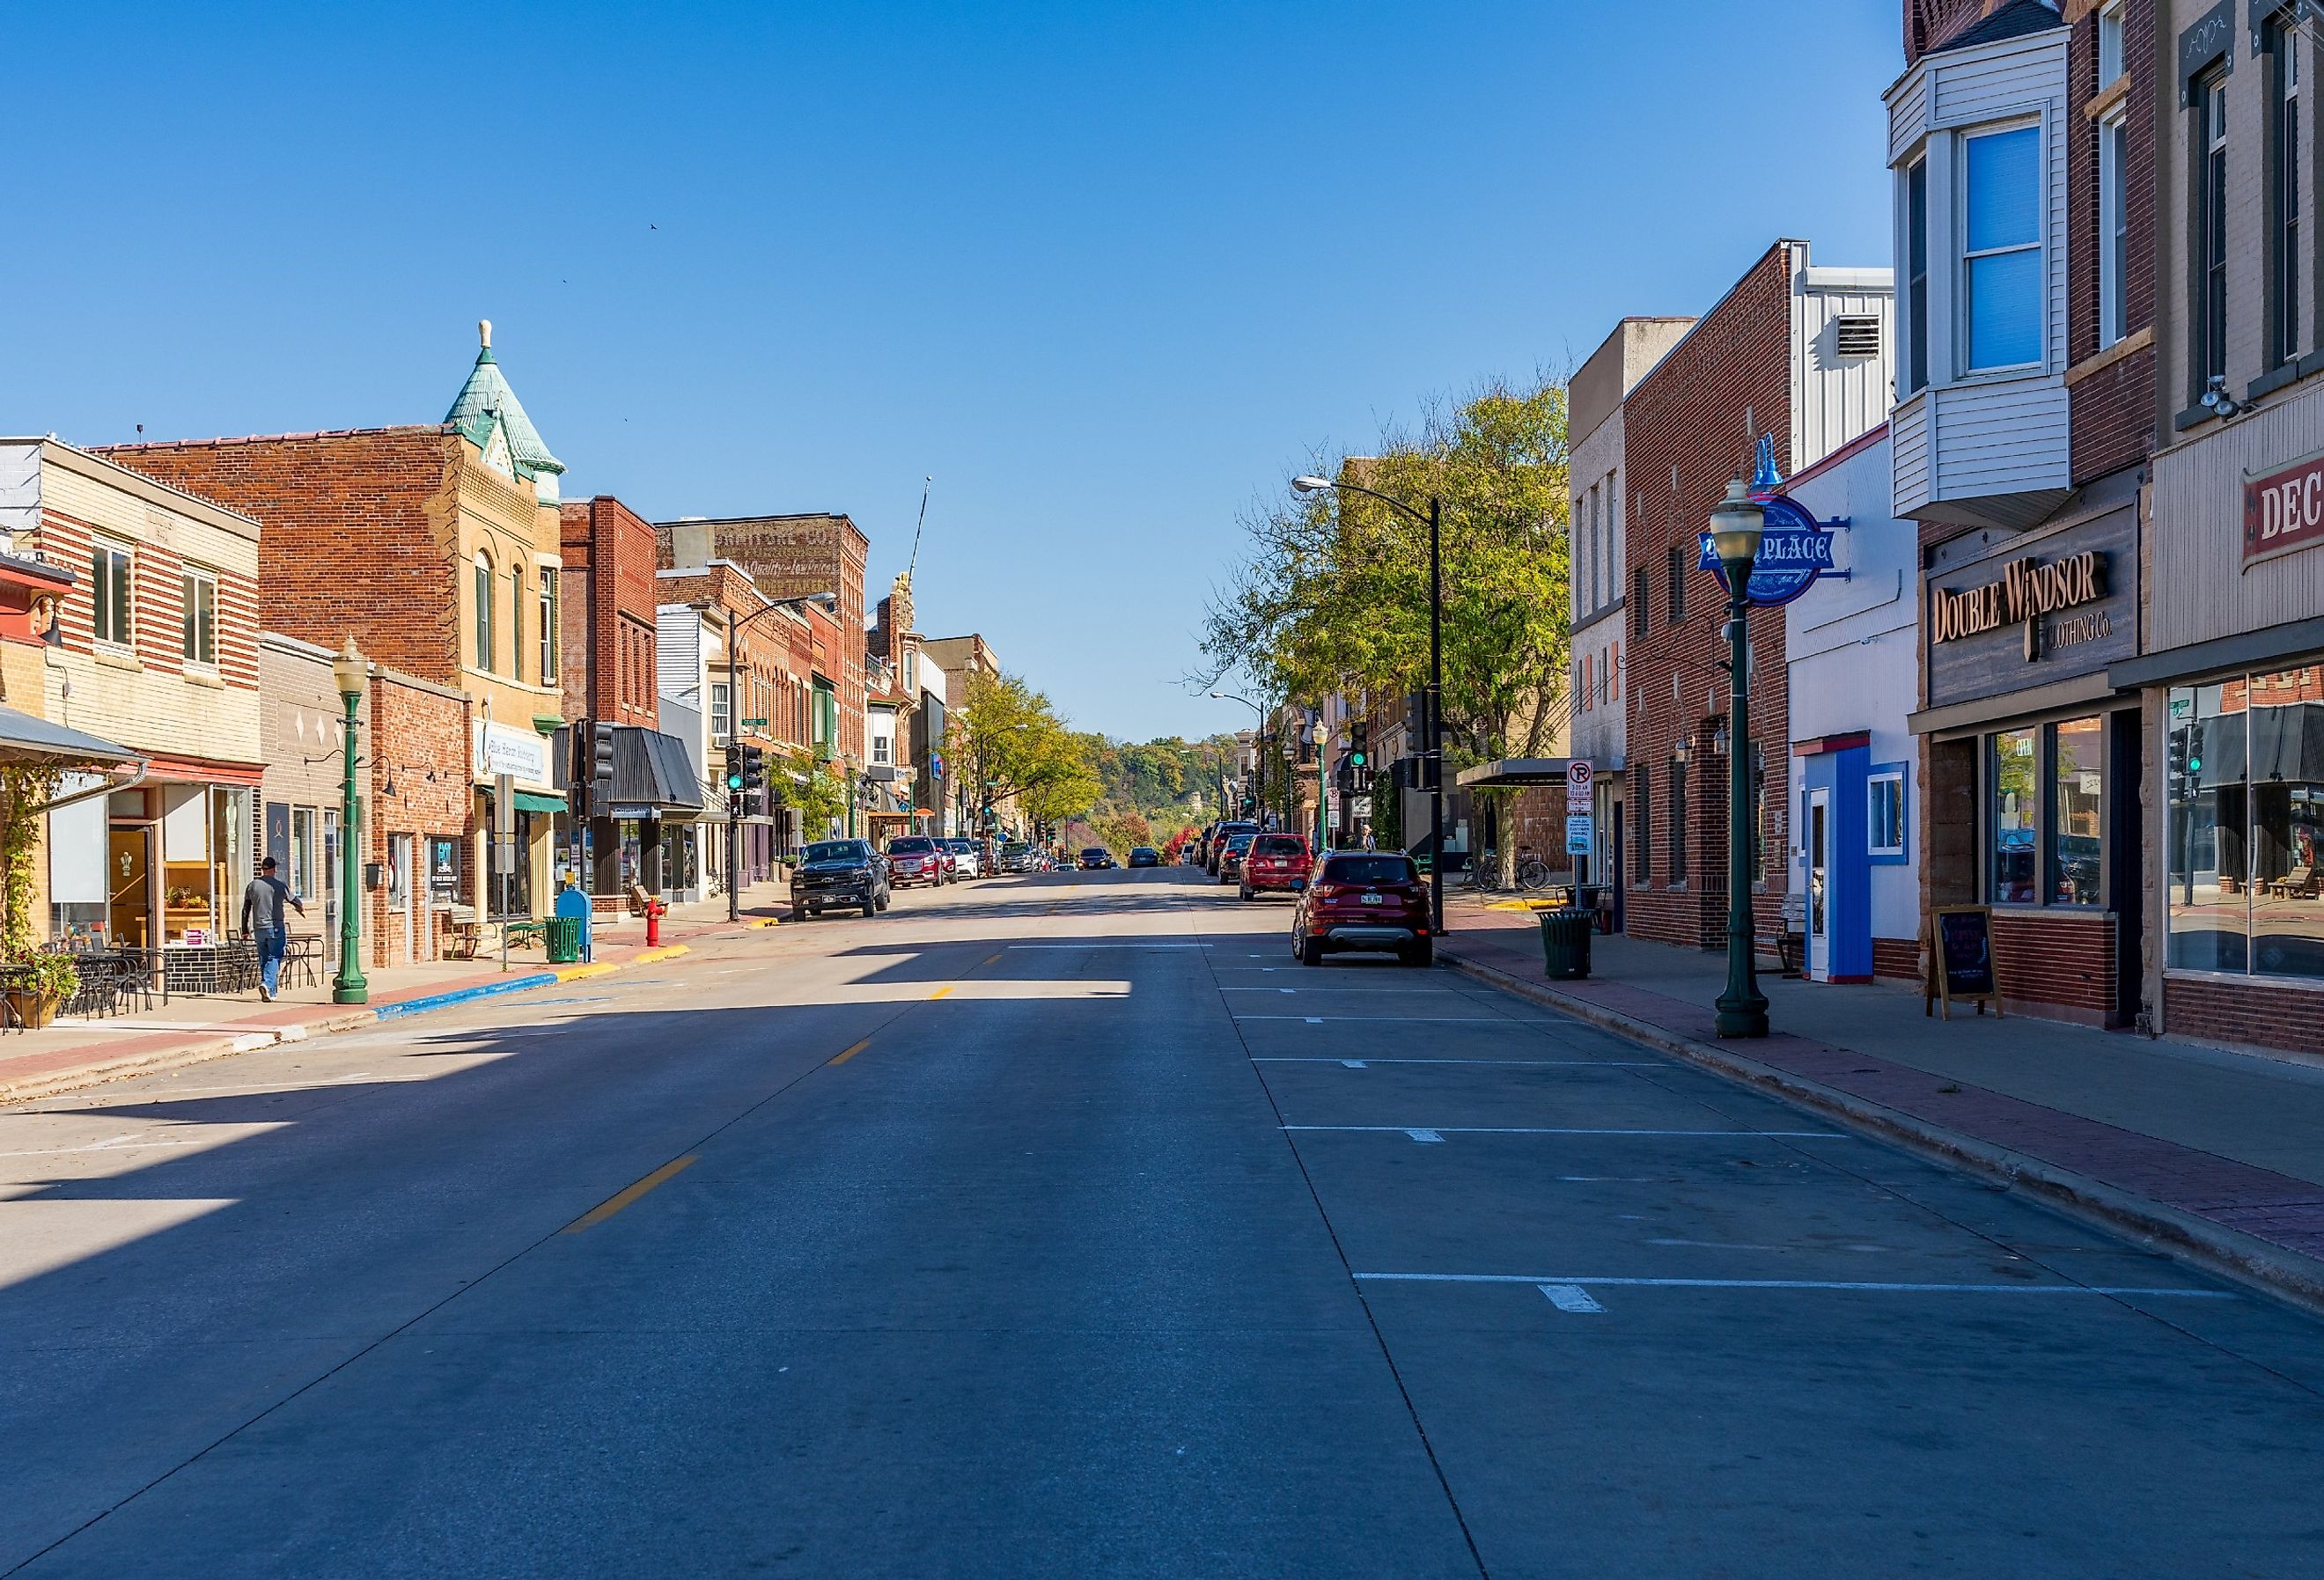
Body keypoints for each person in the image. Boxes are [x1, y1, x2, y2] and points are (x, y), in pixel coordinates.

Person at [240, 856, 305, 1003]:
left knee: (265, 958)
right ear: (274, 869)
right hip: (275, 927)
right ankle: (267, 984)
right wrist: (300, 908)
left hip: (259, 929)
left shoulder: (252, 886)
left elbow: (245, 909)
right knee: (275, 956)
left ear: (263, 869)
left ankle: (271, 993)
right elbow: (295, 900)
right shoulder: (280, 886)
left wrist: (245, 930)